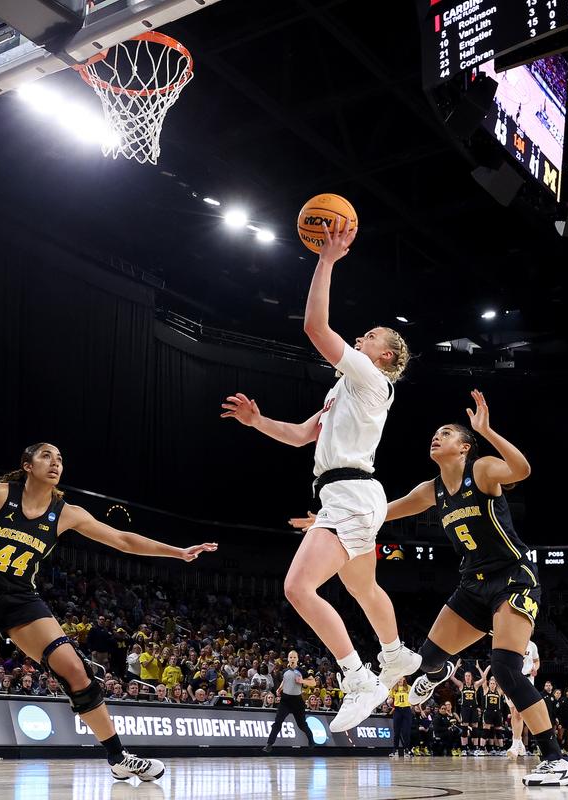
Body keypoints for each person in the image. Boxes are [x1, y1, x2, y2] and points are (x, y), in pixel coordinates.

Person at [0, 442, 216, 786]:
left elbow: (122, 540)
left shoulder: (66, 512)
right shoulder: (0, 494)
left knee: (77, 671)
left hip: (21, 596)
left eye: (59, 459)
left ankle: (118, 758)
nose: (55, 463)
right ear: (27, 465)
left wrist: (179, 552)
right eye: (46, 456)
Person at [303, 392, 568, 785]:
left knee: (505, 669)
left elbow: (522, 469)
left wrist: (486, 430)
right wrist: (327, 520)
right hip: (471, 585)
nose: (436, 436)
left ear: (463, 446)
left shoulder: (481, 471)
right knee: (424, 661)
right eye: (435, 432)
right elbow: (379, 514)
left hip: (512, 578)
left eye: (445, 433)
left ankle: (556, 759)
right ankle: (442, 670)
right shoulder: (431, 490)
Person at [223, 220, 417, 733]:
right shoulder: (342, 392)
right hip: (352, 494)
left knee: (298, 587)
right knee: (363, 589)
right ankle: (395, 655)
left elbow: (315, 328)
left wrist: (327, 260)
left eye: (370, 336)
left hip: (352, 493)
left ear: (386, 357)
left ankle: (360, 678)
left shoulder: (372, 379)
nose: (360, 338)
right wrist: (256, 421)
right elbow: (300, 436)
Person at [263, 651, 316, 753]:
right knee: (277, 722)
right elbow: (285, 680)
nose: (292, 658)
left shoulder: (302, 671)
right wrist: (280, 688)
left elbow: (313, 682)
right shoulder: (285, 670)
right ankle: (269, 744)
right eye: (290, 657)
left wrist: (302, 681)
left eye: (294, 657)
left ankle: (311, 740)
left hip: (297, 701)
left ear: (297, 659)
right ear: (288, 659)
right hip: (285, 701)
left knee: (302, 725)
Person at [506, 640, 539, 757]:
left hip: (526, 679)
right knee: (513, 713)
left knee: (518, 713)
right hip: (510, 679)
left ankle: (514, 745)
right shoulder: (510, 641)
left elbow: (536, 661)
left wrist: (536, 668)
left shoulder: (532, 645)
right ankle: (519, 742)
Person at [390, 676, 413, 758]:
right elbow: (390, 699)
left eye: (401, 678)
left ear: (404, 679)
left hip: (407, 710)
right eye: (398, 679)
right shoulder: (394, 688)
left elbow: (414, 699)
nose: (399, 680)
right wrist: (390, 701)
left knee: (406, 732)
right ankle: (395, 750)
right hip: (397, 710)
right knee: (396, 732)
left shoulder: (409, 688)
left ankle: (407, 750)